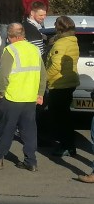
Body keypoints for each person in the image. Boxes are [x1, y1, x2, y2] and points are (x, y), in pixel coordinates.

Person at [0, 23, 46, 172]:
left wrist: (1, 93)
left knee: (5, 129)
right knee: (29, 131)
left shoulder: (10, 50)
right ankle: (31, 160)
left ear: (11, 37)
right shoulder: (34, 50)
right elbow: (42, 74)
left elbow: (3, 75)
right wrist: (40, 93)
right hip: (29, 97)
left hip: (11, 97)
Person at [45, 16, 79, 157]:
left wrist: (44, 79)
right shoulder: (73, 41)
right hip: (69, 82)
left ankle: (66, 146)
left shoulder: (60, 44)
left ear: (59, 27)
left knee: (59, 117)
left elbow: (55, 66)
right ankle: (69, 145)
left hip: (59, 84)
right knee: (65, 116)